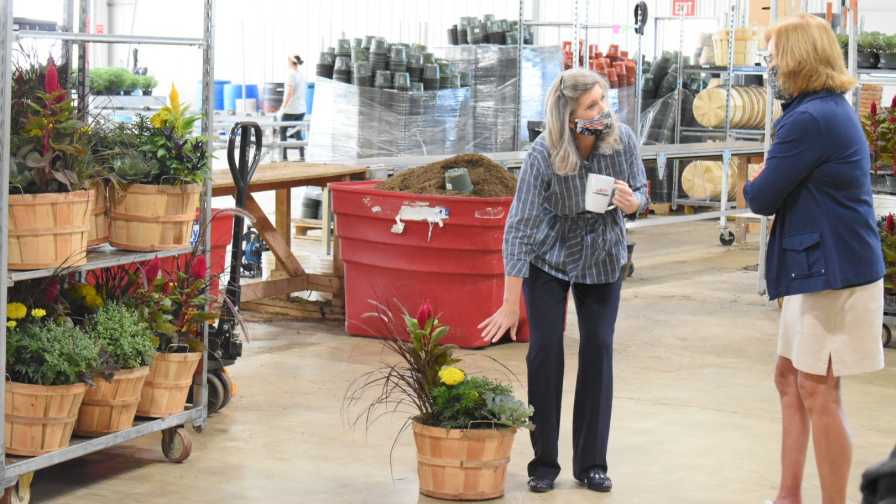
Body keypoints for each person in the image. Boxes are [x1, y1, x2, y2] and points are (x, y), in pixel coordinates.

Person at [478, 68, 648, 494]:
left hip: (604, 256)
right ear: (570, 113)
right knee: (546, 351)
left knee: (598, 349)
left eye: (604, 102)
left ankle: (592, 464)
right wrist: (507, 303)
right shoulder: (543, 152)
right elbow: (519, 226)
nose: (603, 112)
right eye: (592, 106)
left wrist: (633, 203)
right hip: (550, 257)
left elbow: (642, 190)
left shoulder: (621, 139)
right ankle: (543, 464)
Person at [744, 15, 886, 504]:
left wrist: (755, 178)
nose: (771, 65)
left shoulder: (809, 120)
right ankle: (789, 495)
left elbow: (761, 197)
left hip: (834, 274)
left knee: (820, 390)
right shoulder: (821, 110)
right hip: (815, 269)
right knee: (790, 378)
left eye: (775, 55)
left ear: (799, 59)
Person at [278, 54, 307, 160]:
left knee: (283, 132)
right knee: (297, 132)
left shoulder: (290, 74)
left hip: (291, 109)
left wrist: (283, 107)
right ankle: (302, 155)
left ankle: (284, 157)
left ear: (290, 62)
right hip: (301, 109)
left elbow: (289, 93)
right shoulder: (301, 75)